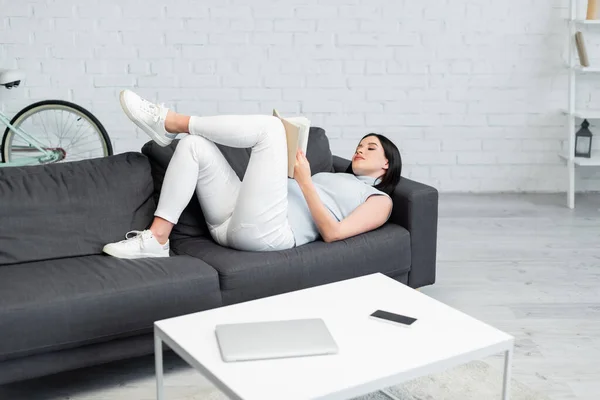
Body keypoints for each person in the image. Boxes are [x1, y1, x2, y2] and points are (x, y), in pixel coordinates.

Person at [102, 90, 402, 258]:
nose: (360, 150)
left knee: (271, 130)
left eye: (371, 148)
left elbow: (333, 233)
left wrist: (305, 181)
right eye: (360, 145)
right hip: (233, 219)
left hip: (270, 233)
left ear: (386, 164)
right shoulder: (339, 176)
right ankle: (157, 238)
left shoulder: (379, 200)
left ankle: (170, 121)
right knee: (194, 146)